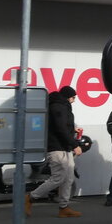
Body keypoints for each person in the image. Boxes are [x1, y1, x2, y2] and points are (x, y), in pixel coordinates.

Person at [26, 86, 83, 217]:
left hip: (64, 147)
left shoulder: (62, 106)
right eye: (73, 98)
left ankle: (64, 207)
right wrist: (75, 144)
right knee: (58, 178)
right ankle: (31, 197)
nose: (74, 101)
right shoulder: (58, 106)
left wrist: (72, 130)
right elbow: (59, 128)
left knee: (68, 178)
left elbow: (62, 125)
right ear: (68, 96)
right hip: (56, 147)